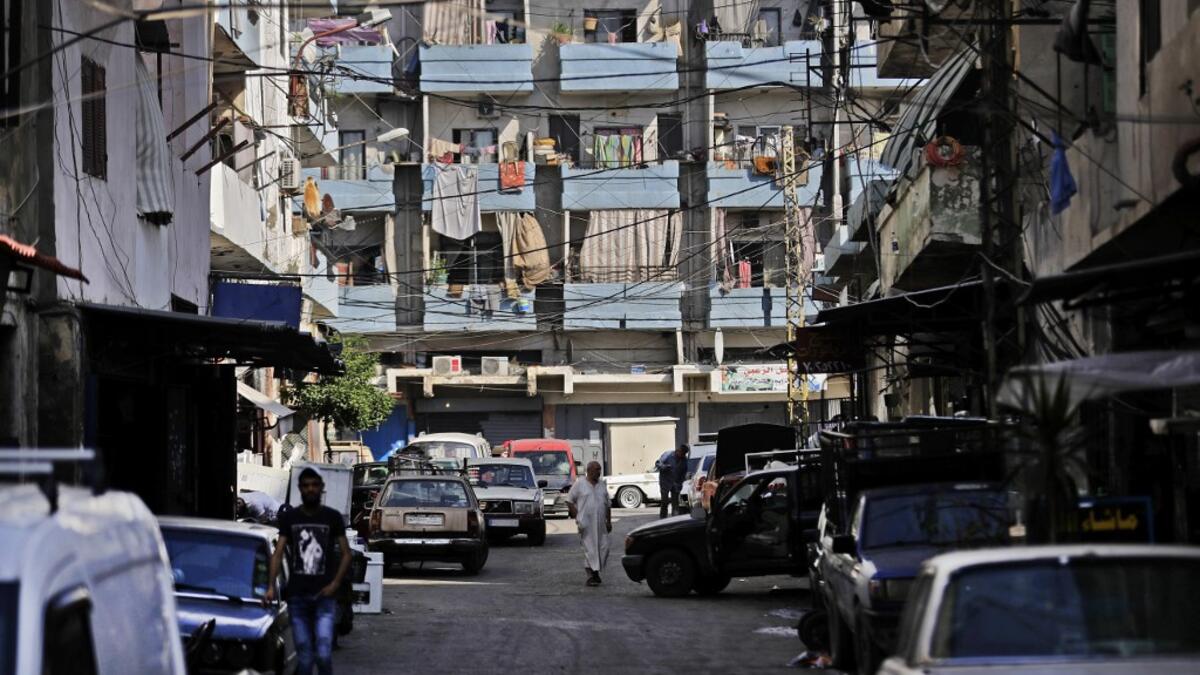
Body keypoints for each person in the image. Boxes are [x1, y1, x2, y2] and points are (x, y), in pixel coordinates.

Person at [265, 467, 351, 675]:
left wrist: (335, 584)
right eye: (306, 486)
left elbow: (347, 554)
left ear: (321, 488)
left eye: (314, 485)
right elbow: (277, 554)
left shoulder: (332, 517)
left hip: (324, 598)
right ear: (300, 489)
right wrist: (269, 587)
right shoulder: (290, 518)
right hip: (298, 598)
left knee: (323, 655)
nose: (310, 489)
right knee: (304, 657)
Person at [566, 461, 611, 586]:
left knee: (604, 547)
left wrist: (609, 521)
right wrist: (577, 516)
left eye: (600, 469)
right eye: (596, 469)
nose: (599, 472)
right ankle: (591, 575)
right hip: (586, 523)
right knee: (590, 549)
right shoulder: (580, 484)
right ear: (589, 470)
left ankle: (595, 572)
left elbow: (608, 504)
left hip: (601, 523)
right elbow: (569, 501)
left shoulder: (602, 485)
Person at [655, 445, 690, 518]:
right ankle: (663, 519)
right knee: (665, 501)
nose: (682, 455)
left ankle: (674, 519)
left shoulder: (684, 460)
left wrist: (680, 483)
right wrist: (664, 467)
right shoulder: (668, 455)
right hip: (665, 482)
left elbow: (683, 473)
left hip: (676, 483)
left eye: (684, 454)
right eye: (681, 453)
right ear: (678, 450)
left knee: (675, 503)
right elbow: (658, 463)